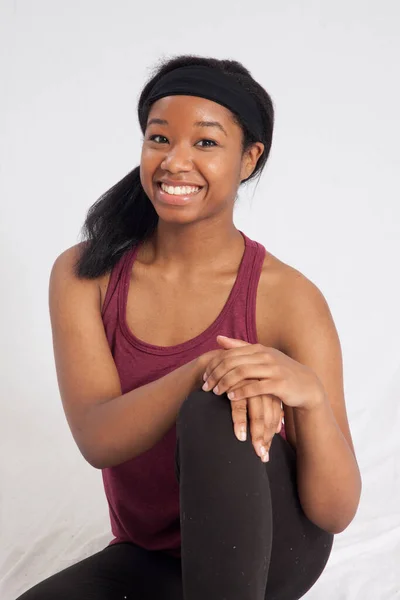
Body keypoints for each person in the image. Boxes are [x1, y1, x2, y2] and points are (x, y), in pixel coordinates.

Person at [17, 54, 362, 600]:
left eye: (205, 143)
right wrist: (205, 365)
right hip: (152, 558)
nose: (175, 162)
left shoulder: (289, 298)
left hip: (274, 551)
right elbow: (99, 438)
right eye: (159, 139)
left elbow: (335, 511)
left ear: (249, 158)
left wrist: (310, 399)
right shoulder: (87, 274)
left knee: (214, 405)